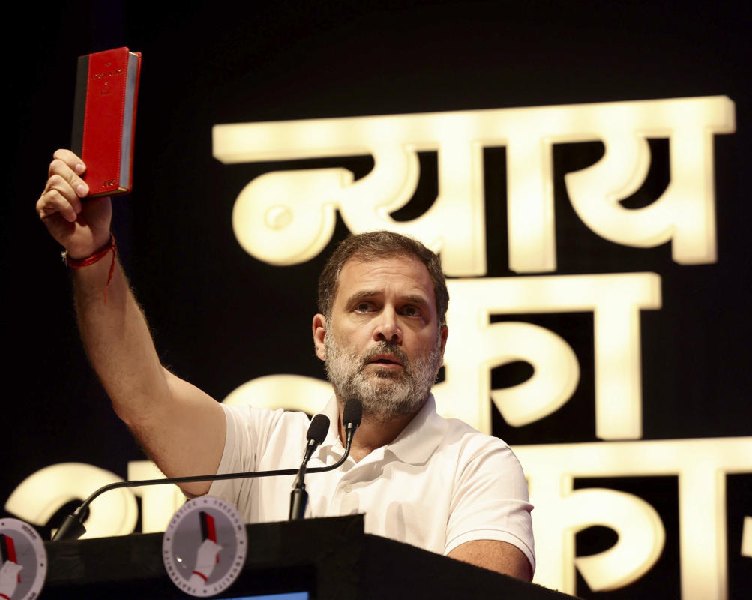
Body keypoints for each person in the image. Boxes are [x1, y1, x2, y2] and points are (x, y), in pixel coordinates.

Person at [36, 149, 535, 581]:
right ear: (322, 336)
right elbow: (144, 396)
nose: (388, 328)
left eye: (410, 310)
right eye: (365, 306)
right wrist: (91, 253)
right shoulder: (261, 448)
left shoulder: (478, 463)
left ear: (442, 343)